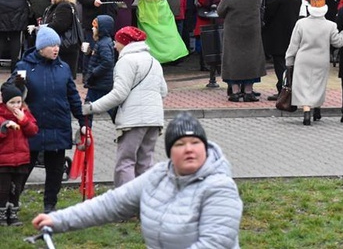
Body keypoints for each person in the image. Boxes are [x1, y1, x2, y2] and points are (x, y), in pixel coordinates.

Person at [33, 112, 242, 248]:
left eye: (195, 142)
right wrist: (59, 220)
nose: (188, 149)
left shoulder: (219, 187)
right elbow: (112, 203)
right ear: (170, 152)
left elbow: (215, 244)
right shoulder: (159, 176)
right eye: (180, 144)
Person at [82, 26, 168, 186]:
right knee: (145, 162)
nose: (114, 45)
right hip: (155, 119)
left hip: (134, 121)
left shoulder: (126, 61)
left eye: (117, 41)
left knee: (125, 163)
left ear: (125, 43)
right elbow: (163, 91)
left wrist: (93, 107)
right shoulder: (153, 61)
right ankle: (146, 200)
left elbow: (119, 94)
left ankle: (124, 203)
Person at [17, 26, 85, 213]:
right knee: (23, 169)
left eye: (57, 45)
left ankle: (50, 206)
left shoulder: (64, 69)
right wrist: (18, 105)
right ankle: (11, 203)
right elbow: (12, 93)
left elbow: (73, 97)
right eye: (51, 46)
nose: (56, 49)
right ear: (40, 47)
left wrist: (83, 121)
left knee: (55, 171)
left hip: (58, 126)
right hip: (33, 127)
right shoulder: (24, 67)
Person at [285, 0, 343, 125]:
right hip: (321, 60)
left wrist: (289, 60)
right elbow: (338, 43)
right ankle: (316, 108)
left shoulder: (301, 23)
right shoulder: (330, 25)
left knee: (303, 84)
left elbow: (293, 44)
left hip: (303, 59)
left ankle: (306, 111)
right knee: (318, 85)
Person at [217, 0, 267, 102]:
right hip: (252, 33)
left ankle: (235, 92)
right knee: (251, 60)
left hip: (233, 33)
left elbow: (220, 11)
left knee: (233, 60)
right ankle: (248, 92)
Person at [0, 79, 38, 226]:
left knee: (17, 188)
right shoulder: (2, 116)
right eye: (12, 103)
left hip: (21, 159)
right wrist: (5, 126)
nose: (16, 106)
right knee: (3, 189)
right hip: (4, 161)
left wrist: (23, 121)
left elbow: (33, 130)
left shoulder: (24, 114)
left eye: (18, 102)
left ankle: (13, 213)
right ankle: (2, 214)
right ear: (4, 102)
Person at [263, 0, 302, 100]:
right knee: (290, 62)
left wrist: (265, 23)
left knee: (279, 62)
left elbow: (270, 10)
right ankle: (291, 88)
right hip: (292, 30)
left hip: (278, 32)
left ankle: (282, 90)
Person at [136, 0, 189, 64]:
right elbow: (165, 8)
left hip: (148, 22)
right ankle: (174, 55)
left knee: (151, 40)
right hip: (163, 21)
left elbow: (140, 8)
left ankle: (154, 56)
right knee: (170, 38)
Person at [38, 0, 81, 78]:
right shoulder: (62, 6)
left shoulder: (64, 7)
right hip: (65, 48)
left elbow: (59, 25)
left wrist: (42, 28)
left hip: (63, 47)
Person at [82, 15, 116, 123]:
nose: (92, 29)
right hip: (99, 83)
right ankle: (86, 131)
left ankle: (86, 131)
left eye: (95, 27)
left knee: (88, 108)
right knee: (107, 108)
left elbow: (107, 62)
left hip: (99, 83)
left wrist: (94, 73)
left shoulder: (103, 44)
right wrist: (89, 53)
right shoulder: (103, 42)